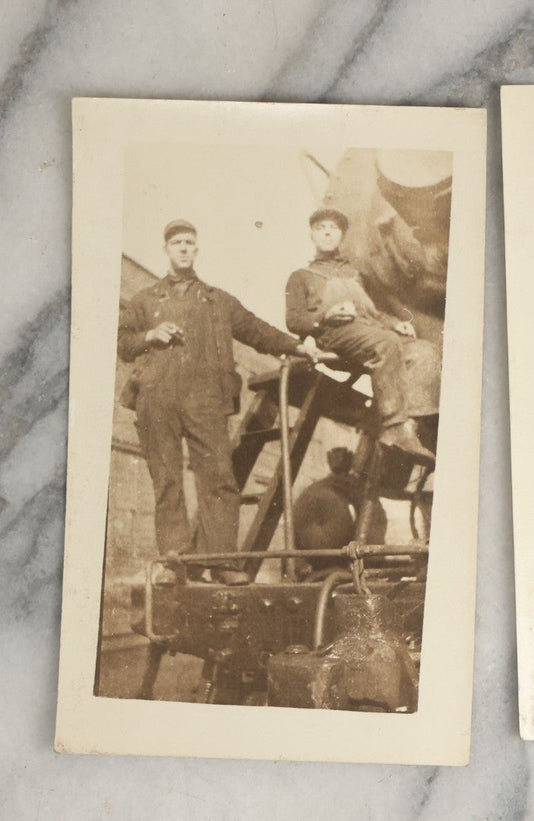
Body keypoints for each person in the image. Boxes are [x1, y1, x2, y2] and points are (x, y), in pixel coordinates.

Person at [119, 219, 314, 585]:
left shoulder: (218, 300)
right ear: (166, 249)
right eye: (176, 242)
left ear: (196, 250)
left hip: (205, 399)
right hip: (156, 396)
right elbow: (124, 344)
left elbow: (256, 329)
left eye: (189, 242)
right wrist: (150, 334)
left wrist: (298, 345)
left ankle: (222, 562)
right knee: (166, 480)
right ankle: (173, 563)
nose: (183, 248)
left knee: (219, 479)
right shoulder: (144, 300)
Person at [285, 208, 440, 461]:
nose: (327, 232)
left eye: (333, 228)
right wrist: (324, 316)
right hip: (335, 333)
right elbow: (294, 320)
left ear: (342, 236)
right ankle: (393, 428)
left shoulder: (355, 275)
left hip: (371, 330)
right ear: (312, 235)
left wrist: (395, 323)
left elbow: (374, 312)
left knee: (425, 351)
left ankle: (409, 427)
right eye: (321, 228)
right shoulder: (301, 277)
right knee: (386, 344)